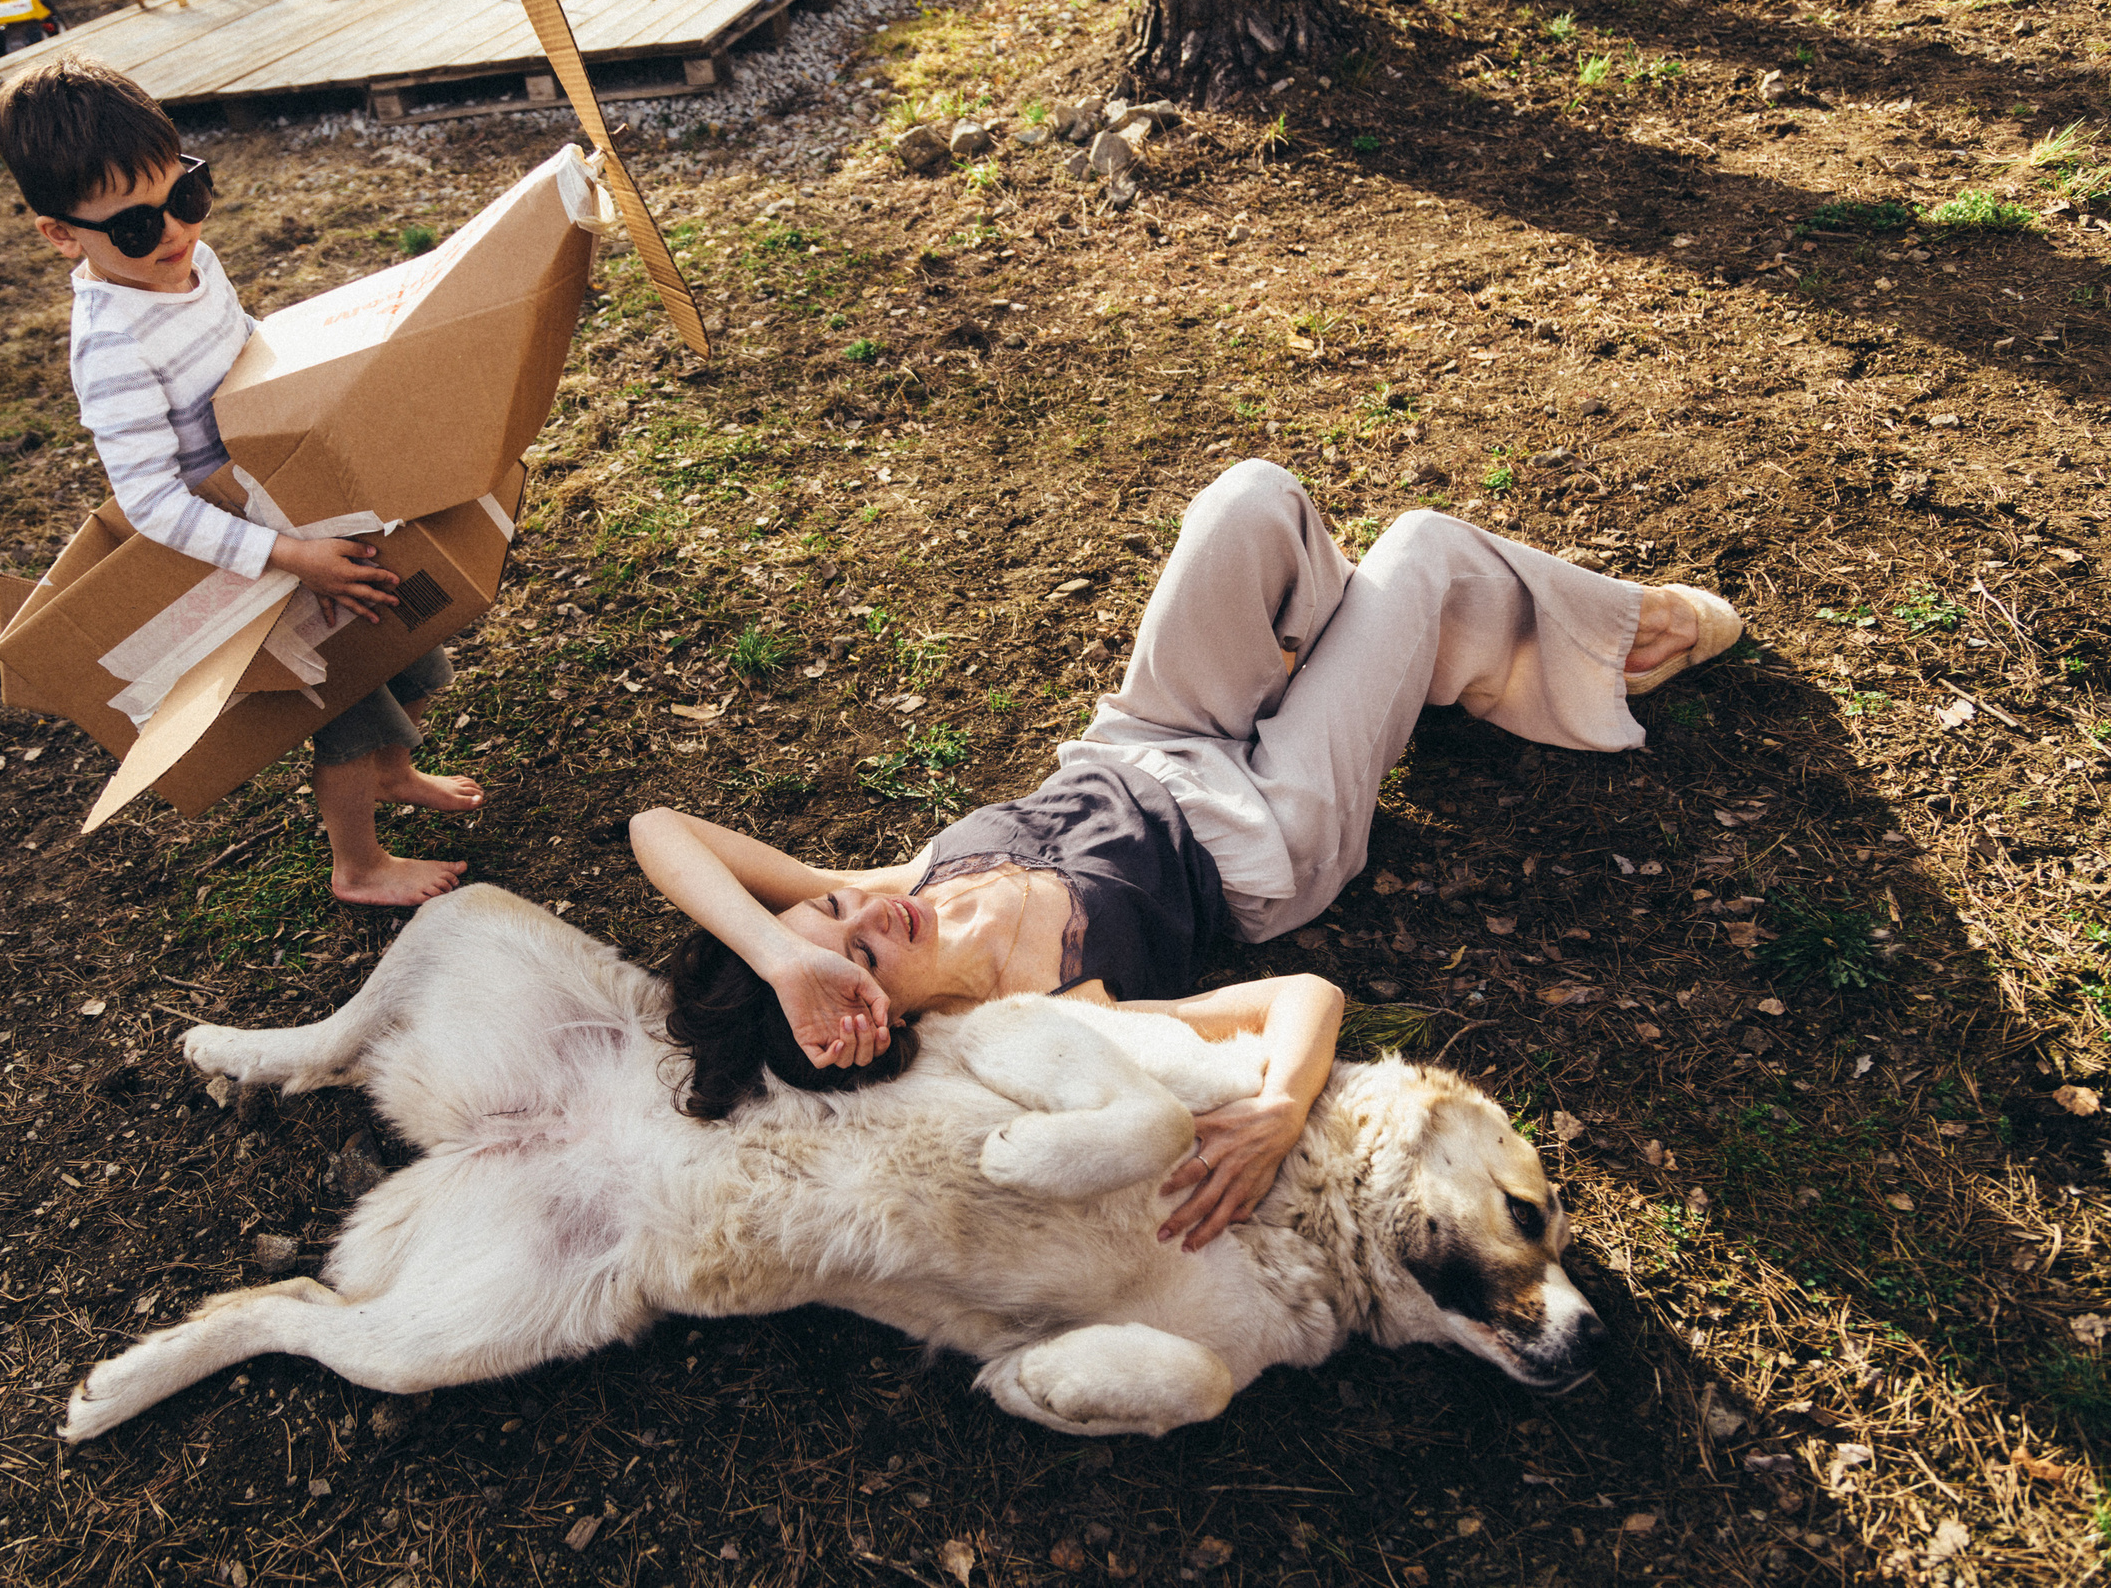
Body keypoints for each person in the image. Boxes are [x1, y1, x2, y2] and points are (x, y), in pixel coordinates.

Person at [634, 459, 1741, 1249]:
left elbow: (657, 829)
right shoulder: (1048, 1014)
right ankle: (1608, 636)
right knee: (1422, 546)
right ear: (894, 1022)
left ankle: (1395, 649)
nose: (867, 917)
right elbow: (1303, 997)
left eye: (832, 914)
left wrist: (788, 957)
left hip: (1146, 734)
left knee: (1252, 499)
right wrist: (1277, 1110)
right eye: (864, 960)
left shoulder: (886, 894)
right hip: (1265, 829)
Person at [0, 56, 485, 906]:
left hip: (297, 501)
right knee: (343, 704)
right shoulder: (113, 345)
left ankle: (396, 772)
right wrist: (289, 557)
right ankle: (359, 864)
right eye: (136, 227)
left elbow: (244, 345)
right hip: (247, 557)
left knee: (398, 647)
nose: (175, 232)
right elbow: (151, 502)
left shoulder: (190, 260)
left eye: (187, 194)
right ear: (63, 235)